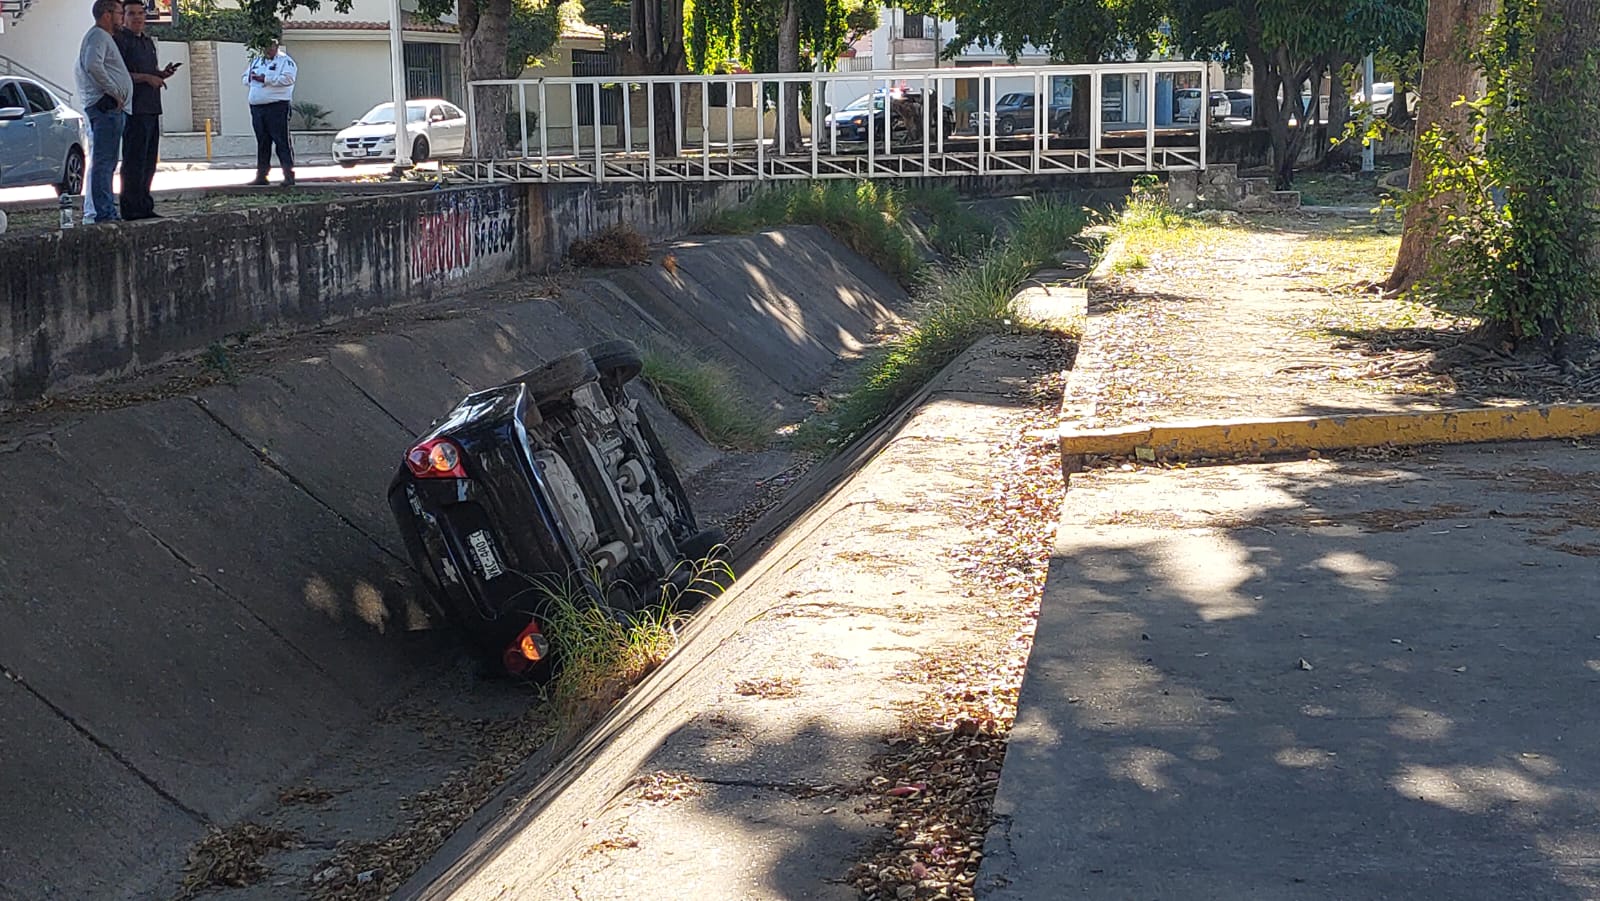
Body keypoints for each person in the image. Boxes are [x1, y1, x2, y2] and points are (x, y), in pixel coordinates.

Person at [115, 0, 179, 220]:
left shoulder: (148, 42)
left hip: (152, 107)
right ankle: (130, 207)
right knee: (134, 160)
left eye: (141, 13)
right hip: (134, 109)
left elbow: (150, 72)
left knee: (149, 162)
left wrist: (161, 74)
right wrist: (146, 78)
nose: (137, 18)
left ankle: (144, 204)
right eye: (131, 14)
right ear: (123, 17)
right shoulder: (121, 41)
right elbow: (120, 75)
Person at [74, 0, 133, 224]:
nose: (122, 18)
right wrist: (114, 90)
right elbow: (92, 65)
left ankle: (105, 209)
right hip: (106, 108)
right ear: (107, 14)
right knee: (104, 161)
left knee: (108, 161)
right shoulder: (98, 36)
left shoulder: (102, 37)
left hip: (111, 107)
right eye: (119, 13)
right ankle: (104, 212)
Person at [243, 38, 297, 186]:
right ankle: (262, 176)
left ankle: (288, 176)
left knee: (281, 142)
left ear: (276, 46)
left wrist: (266, 79)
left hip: (277, 107)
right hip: (257, 107)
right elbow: (245, 78)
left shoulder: (285, 62)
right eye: (264, 46)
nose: (267, 49)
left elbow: (288, 79)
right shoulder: (257, 61)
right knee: (262, 142)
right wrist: (252, 78)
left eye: (270, 46)